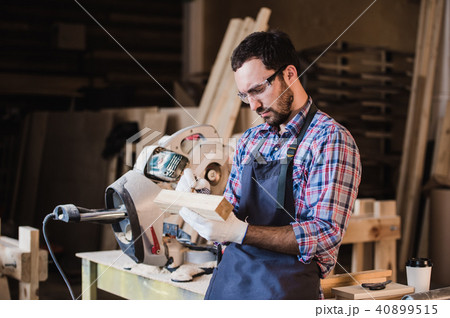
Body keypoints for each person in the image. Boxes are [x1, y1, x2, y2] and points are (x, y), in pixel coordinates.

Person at [178, 30, 362, 300]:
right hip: (233, 286)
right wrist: (203, 199)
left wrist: (240, 231)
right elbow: (231, 212)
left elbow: (325, 233)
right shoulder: (251, 140)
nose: (252, 105)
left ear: (289, 74)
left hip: (286, 293)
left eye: (258, 90)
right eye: (244, 95)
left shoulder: (329, 139)